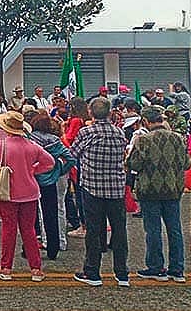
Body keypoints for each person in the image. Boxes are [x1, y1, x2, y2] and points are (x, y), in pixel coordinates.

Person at [0, 111, 54, 282]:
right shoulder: (32, 145)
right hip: (30, 192)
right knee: (29, 231)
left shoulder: (1, 146)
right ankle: (36, 269)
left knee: (9, 230)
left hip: (8, 193)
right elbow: (50, 163)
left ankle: (5, 267)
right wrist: (33, 170)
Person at [71, 97, 130, 287]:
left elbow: (73, 154)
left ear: (90, 113)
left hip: (92, 186)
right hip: (116, 188)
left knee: (94, 231)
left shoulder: (86, 132)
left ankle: (92, 272)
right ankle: (122, 273)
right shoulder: (119, 133)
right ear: (110, 112)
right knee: (119, 230)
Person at [127, 106, 190, 283]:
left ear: (146, 122)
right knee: (175, 229)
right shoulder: (179, 138)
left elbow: (135, 164)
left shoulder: (143, 140)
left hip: (150, 190)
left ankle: (156, 267)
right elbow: (186, 164)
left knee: (153, 229)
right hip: (173, 189)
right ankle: (177, 270)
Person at [28, 113, 77, 259]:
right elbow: (70, 158)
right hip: (51, 179)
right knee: (53, 212)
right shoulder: (55, 141)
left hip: (33, 178)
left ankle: (35, 243)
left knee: (33, 214)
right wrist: (60, 170)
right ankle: (54, 247)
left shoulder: (30, 139)